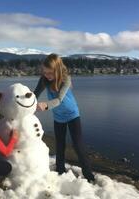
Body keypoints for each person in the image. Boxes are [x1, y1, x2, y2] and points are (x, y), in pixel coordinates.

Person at [34, 53, 95, 182]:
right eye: (45, 72)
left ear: (58, 70)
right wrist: (27, 103)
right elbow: (35, 94)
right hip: (58, 116)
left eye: (50, 73)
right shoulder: (44, 79)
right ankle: (60, 171)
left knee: (78, 145)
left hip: (72, 114)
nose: (47, 75)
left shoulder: (66, 79)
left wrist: (45, 106)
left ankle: (89, 176)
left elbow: (59, 99)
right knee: (59, 145)